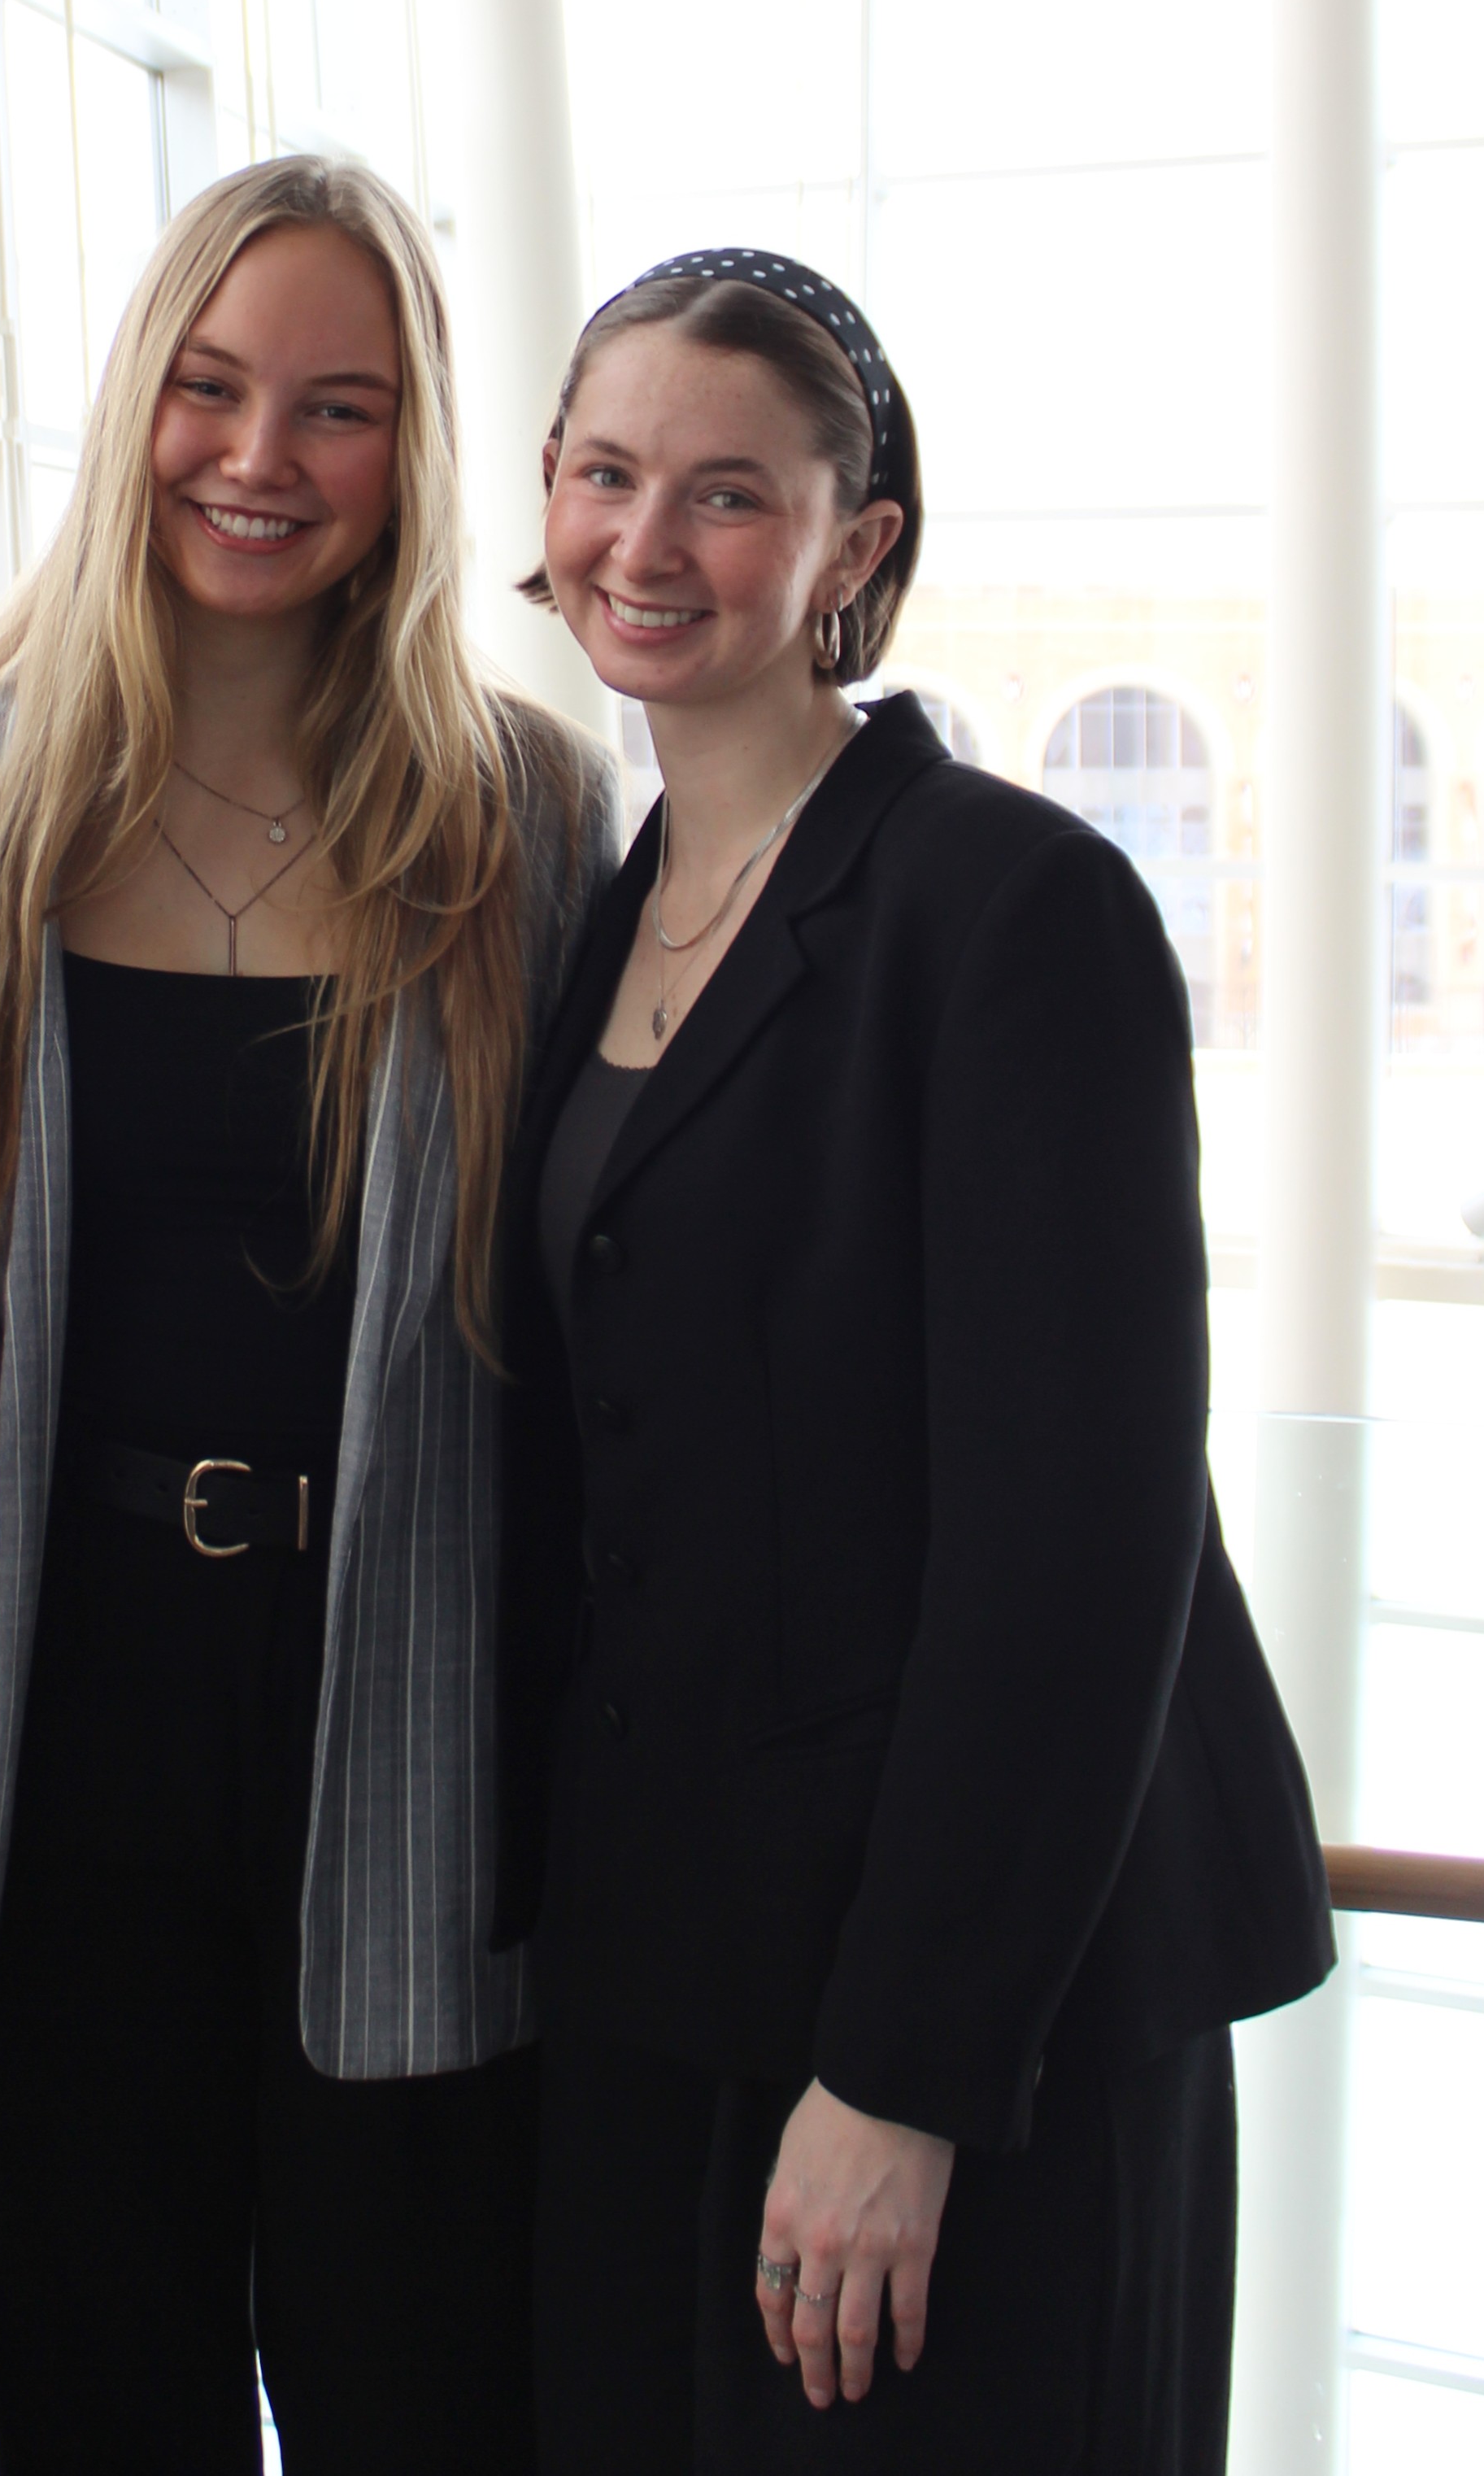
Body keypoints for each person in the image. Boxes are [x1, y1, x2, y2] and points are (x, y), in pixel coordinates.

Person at [497, 251, 1334, 2472]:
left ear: (853, 549)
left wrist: (903, 2076)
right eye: (602, 473)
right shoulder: (615, 894)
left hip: (971, 2021)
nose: (644, 544)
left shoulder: (1008, 909)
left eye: (725, 495)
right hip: (694, 1977)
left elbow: (1075, 1543)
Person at [0, 155, 620, 2473]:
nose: (256, 458)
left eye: (335, 407)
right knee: (104, 2397)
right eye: (207, 390)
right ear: (132, 408)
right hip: (59, 1720)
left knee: (426, 2391)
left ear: (409, 452)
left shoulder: (514, 810)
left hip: (398, 1716)